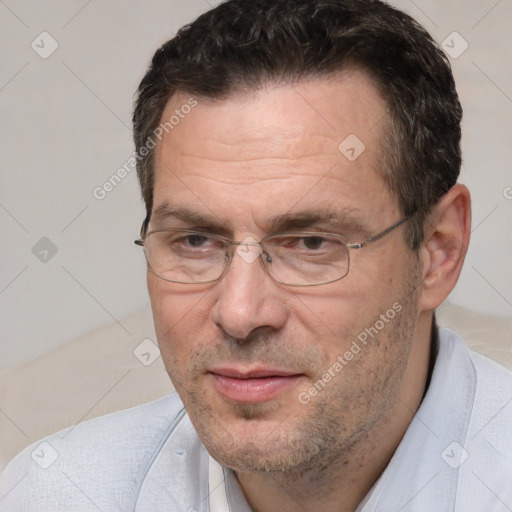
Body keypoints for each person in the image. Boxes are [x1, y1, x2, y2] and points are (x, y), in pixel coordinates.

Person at [1, 0, 511, 510]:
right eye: (195, 241)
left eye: (311, 243)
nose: (240, 314)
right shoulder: (58, 493)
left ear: (438, 250)